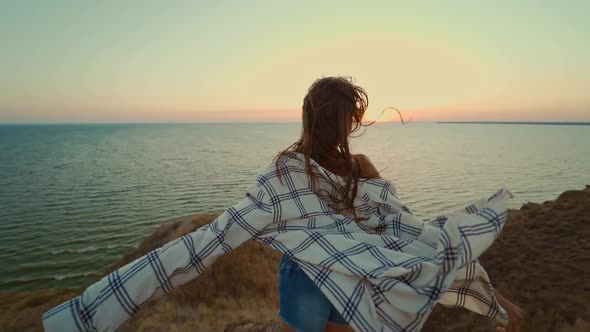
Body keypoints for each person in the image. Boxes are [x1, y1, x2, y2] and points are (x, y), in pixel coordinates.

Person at [43, 77, 522, 332]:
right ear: (349, 122)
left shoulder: (282, 175)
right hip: (355, 285)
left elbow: (203, 245)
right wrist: (488, 294)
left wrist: (91, 307)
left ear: (306, 117)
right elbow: (411, 235)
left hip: (303, 285)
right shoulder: (365, 169)